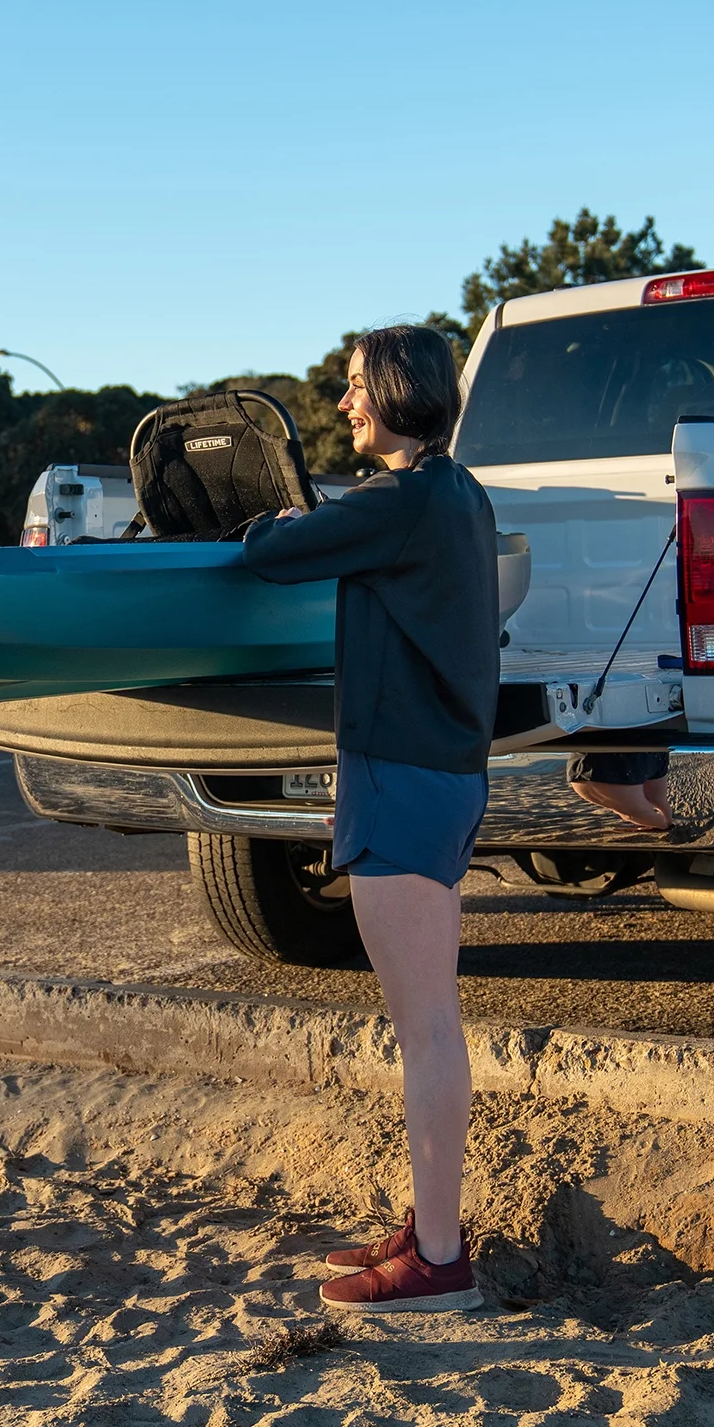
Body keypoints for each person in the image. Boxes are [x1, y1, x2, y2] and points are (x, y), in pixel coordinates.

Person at [242, 324, 500, 1313]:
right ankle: (428, 1226)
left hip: (402, 773)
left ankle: (437, 1258)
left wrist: (273, 520)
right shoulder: (456, 491)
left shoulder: (397, 501)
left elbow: (271, 554)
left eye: (355, 385)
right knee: (427, 1021)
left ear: (395, 391)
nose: (345, 402)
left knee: (425, 1028)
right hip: (436, 771)